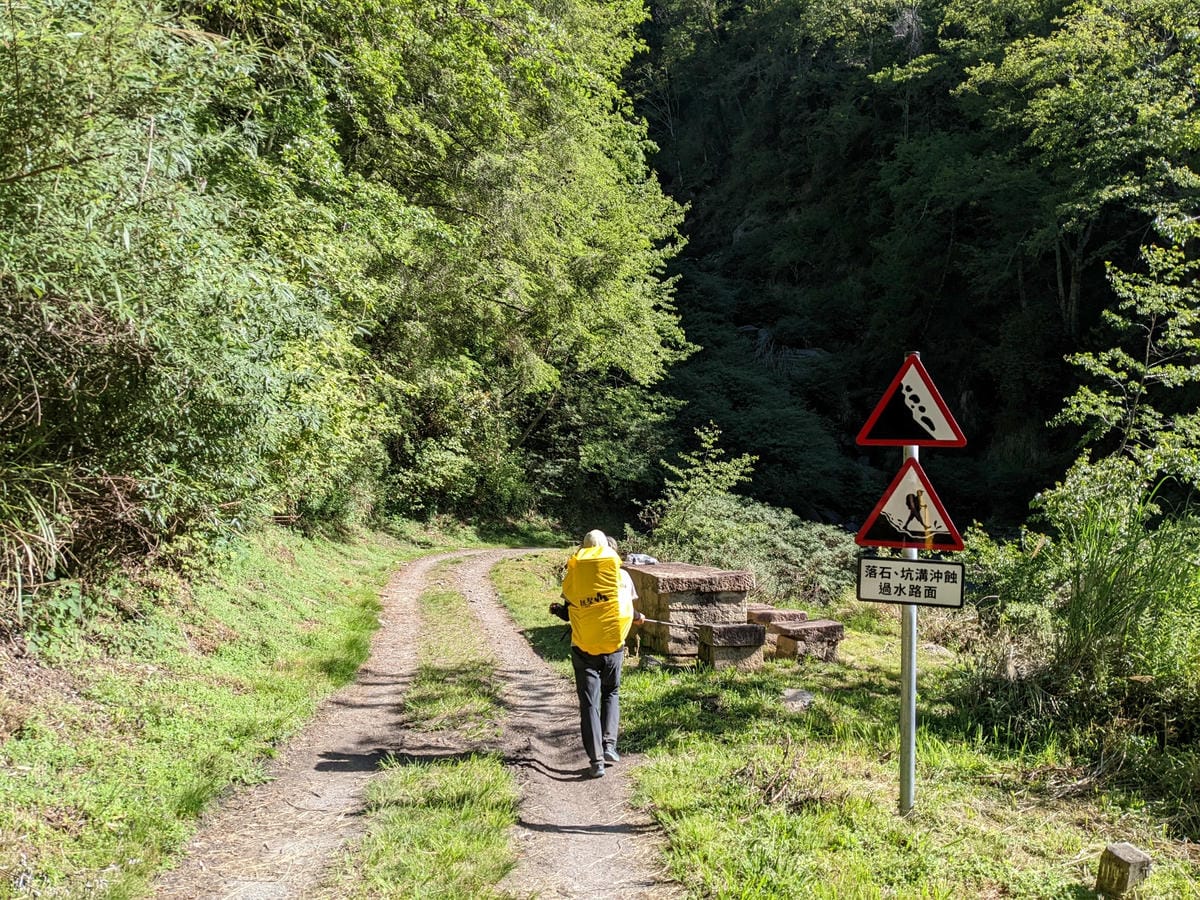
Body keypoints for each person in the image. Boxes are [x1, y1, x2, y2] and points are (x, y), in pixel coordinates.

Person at [551, 529, 644, 778]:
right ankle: (609, 745)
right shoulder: (621, 575)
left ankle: (596, 761)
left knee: (589, 703)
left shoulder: (574, 576)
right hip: (613, 646)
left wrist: (558, 610)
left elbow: (571, 609)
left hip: (583, 647)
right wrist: (637, 618)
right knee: (611, 692)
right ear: (608, 549)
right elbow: (625, 607)